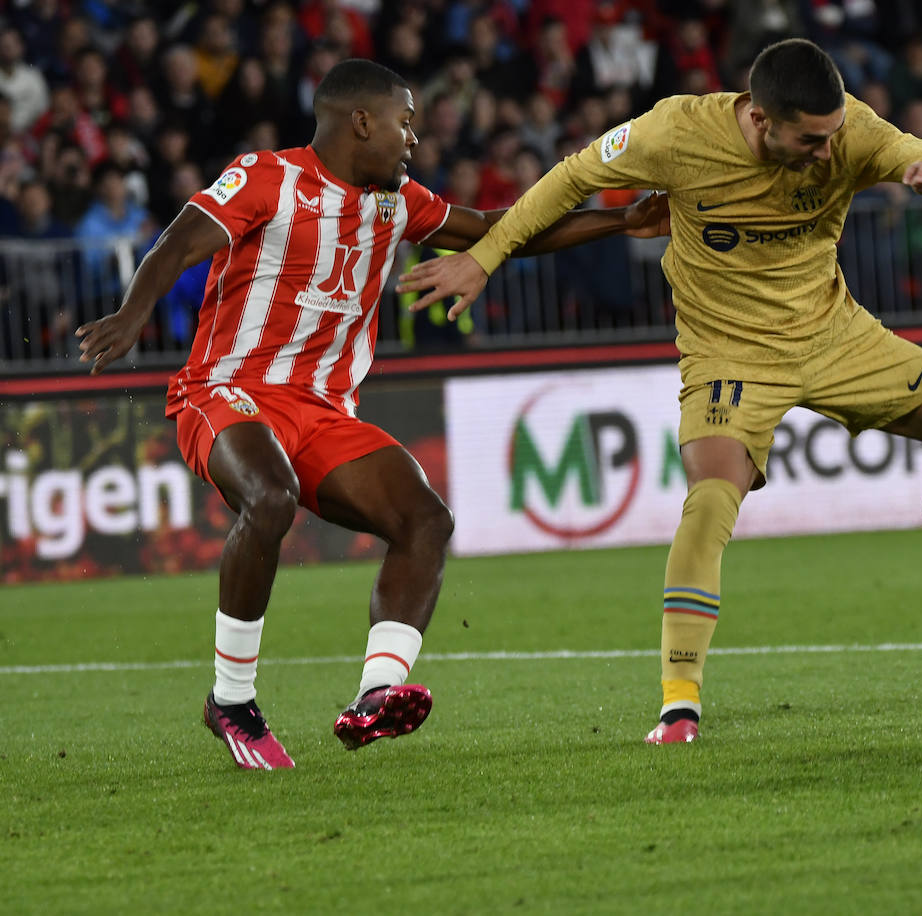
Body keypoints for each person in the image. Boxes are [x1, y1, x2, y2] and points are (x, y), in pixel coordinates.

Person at [398, 39, 922, 746]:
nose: (826, 152)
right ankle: (679, 705)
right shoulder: (676, 133)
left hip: (836, 336)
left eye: (833, 136)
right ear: (762, 118)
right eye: (810, 139)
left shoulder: (850, 130)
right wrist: (482, 258)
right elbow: (570, 178)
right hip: (728, 357)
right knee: (710, 501)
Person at [75, 59, 668, 770]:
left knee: (425, 520)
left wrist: (617, 220)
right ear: (362, 122)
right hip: (226, 391)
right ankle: (231, 700)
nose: (413, 137)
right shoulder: (267, 176)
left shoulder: (398, 201)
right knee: (269, 498)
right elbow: (179, 241)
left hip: (323, 410)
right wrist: (133, 315)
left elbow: (496, 229)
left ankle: (376, 696)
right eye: (405, 122)